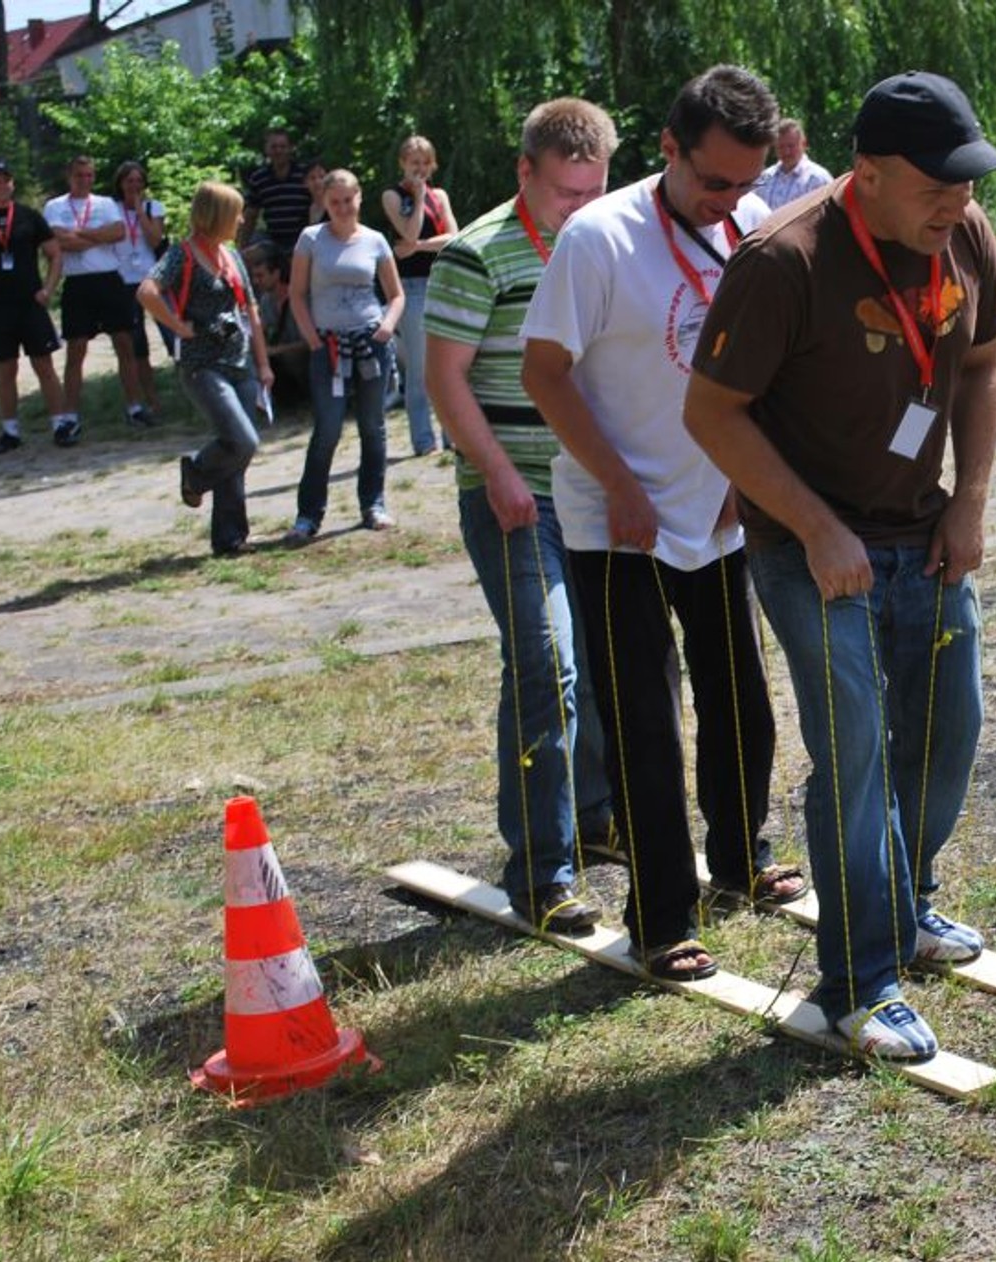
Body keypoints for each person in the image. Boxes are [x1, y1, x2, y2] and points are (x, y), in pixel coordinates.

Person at [683, 71, 996, 1061]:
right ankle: (856, 983)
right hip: (806, 546)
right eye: (934, 184)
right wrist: (816, 527)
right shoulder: (781, 262)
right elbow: (710, 412)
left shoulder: (961, 231)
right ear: (864, 174)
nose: (956, 201)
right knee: (857, 752)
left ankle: (904, 905)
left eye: (966, 180)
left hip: (922, 533)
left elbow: (983, 364)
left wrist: (967, 497)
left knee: (945, 728)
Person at [522, 65, 795, 979]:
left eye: (746, 183)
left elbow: (767, 368)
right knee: (646, 720)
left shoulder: (753, 227)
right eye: (712, 180)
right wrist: (620, 485)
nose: (729, 201)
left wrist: (746, 472)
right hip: (615, 522)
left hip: (717, 508)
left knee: (741, 703)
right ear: (668, 149)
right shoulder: (599, 239)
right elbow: (544, 374)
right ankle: (661, 917)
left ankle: (742, 862)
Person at [424, 97, 623, 934]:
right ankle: (542, 872)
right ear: (524, 175)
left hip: (599, 491)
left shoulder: (612, 241)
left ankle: (602, 815)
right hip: (515, 496)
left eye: (593, 191)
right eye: (564, 195)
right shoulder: (477, 255)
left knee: (617, 656)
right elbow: (444, 379)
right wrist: (497, 473)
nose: (580, 209)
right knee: (547, 666)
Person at [137, 182, 272, 557]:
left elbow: (252, 313)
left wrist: (262, 363)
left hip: (240, 361)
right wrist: (178, 327)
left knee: (236, 451)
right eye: (236, 213)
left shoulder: (232, 255)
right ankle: (195, 473)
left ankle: (230, 539)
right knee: (243, 441)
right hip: (202, 365)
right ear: (218, 215)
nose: (242, 219)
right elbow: (147, 291)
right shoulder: (182, 255)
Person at [285, 170, 405, 542]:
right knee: (328, 428)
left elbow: (396, 294)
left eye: (347, 200)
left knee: (373, 426)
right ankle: (308, 515)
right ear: (324, 203)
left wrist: (386, 326)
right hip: (329, 346)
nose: (341, 208)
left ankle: (373, 504)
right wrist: (313, 340)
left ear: (358, 198)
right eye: (334, 202)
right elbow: (296, 294)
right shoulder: (311, 239)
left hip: (370, 343)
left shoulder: (375, 240)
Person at [43, 155, 150, 443]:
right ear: (69, 176)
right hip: (77, 284)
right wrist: (96, 237)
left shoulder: (104, 204)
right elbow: (57, 239)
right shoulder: (55, 206)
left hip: (109, 279)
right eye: (80, 175)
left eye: (90, 175)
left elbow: (118, 232)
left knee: (125, 344)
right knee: (76, 350)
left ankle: (135, 406)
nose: (85, 180)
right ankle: (70, 415)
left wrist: (80, 233)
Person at [381, 135, 461, 456]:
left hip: (441, 282)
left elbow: (454, 237)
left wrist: (418, 247)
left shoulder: (439, 195)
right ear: (403, 163)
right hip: (412, 287)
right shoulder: (392, 196)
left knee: (449, 364)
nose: (420, 169)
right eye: (414, 162)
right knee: (419, 366)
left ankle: (453, 435)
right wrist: (415, 199)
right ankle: (423, 439)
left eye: (425, 162)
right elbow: (409, 232)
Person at [0, 158, 67, 456]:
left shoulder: (28, 216)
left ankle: (60, 425)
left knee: (44, 365)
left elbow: (55, 254)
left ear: (12, 183)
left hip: (30, 303)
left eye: (5, 179)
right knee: (5, 370)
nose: (0, 184)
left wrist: (48, 289)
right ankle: (10, 432)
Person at [113, 160, 167, 421]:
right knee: (137, 344)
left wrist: (139, 211)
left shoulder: (152, 207)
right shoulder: (110, 209)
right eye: (128, 181)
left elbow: (155, 239)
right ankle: (146, 399)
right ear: (120, 184)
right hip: (122, 282)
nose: (133, 186)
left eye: (138, 181)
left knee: (171, 334)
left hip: (151, 280)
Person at [243, 243, 306, 406]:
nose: (256, 282)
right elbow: (259, 332)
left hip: (305, 359)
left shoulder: (302, 299)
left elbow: (311, 343)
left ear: (276, 273)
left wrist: (274, 351)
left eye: (260, 276)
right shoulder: (266, 300)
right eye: (254, 277)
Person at [239, 128, 314, 255]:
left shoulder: (304, 174)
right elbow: (251, 214)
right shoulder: (259, 178)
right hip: (272, 239)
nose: (278, 151)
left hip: (302, 238)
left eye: (282, 146)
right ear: (266, 149)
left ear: (290, 148)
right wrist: (242, 247)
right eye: (273, 147)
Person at [760, 118, 831, 210]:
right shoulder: (765, 178)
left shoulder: (819, 179)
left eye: (791, 146)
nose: (786, 152)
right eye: (781, 146)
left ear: (803, 144)